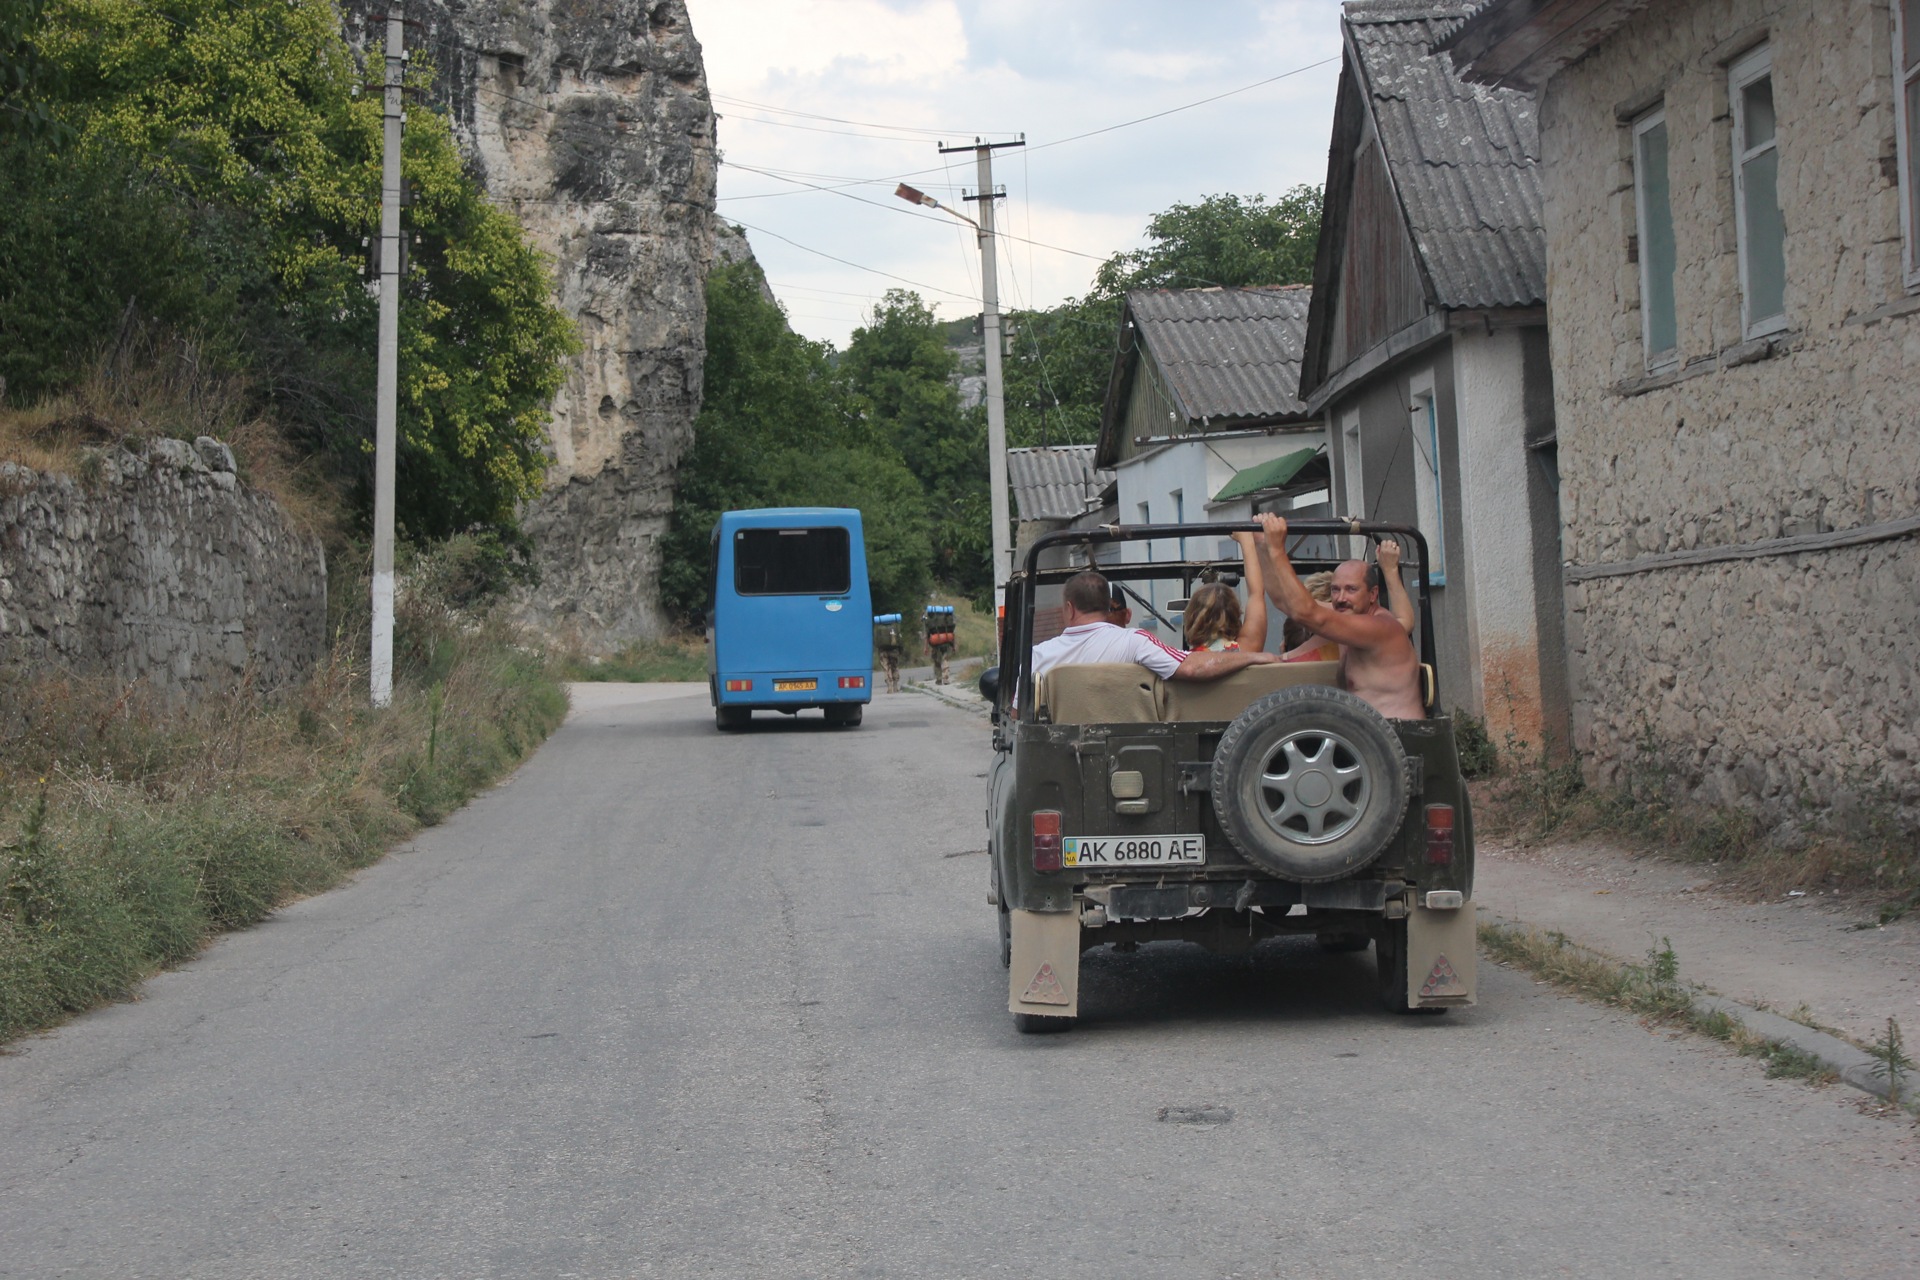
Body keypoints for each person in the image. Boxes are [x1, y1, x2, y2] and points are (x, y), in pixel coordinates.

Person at [1258, 514, 1425, 720]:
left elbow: (1308, 613)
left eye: (1351, 589)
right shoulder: (1349, 617)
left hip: (1400, 740)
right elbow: (1282, 601)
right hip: (1365, 739)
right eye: (1335, 590)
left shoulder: (1379, 627)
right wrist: (1262, 545)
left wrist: (1277, 550)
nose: (1341, 598)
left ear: (1372, 595)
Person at [1032, 570, 1280, 685]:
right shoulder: (1136, 641)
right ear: (1108, 608)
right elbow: (1193, 667)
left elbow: (1017, 713)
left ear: (1070, 608)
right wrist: (1257, 656)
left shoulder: (1037, 656)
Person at [1181, 531, 1269, 654]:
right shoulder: (1248, 648)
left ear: (1192, 617)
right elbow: (1257, 593)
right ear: (1235, 614)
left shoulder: (1188, 663)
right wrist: (1246, 540)